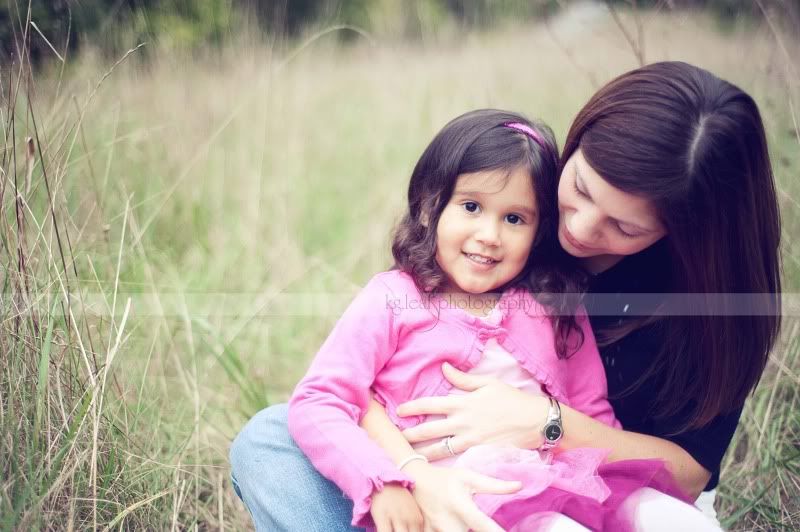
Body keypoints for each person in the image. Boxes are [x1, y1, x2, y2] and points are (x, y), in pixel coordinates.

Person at [229, 62, 782, 531]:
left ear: (682, 234)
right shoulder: (466, 258)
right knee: (270, 440)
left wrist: (546, 423)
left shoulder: (593, 304)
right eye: (580, 189)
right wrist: (404, 476)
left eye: (624, 228)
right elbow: (343, 391)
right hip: (434, 476)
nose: (582, 232)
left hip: (565, 480)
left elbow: (655, 456)